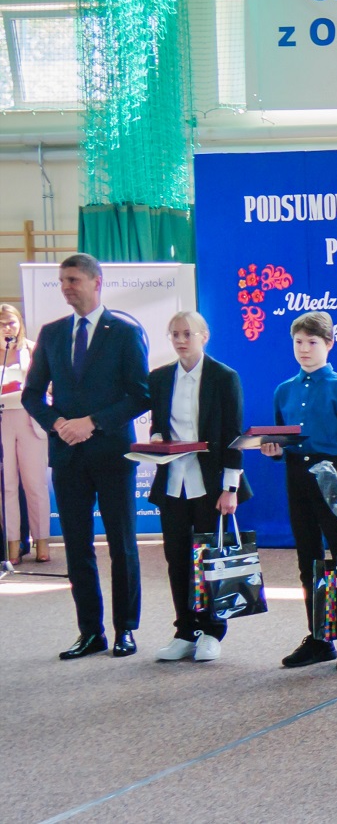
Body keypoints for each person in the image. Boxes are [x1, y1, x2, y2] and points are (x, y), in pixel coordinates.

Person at [23, 253, 150, 660]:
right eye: (62, 281)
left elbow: (140, 395)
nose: (65, 287)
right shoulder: (52, 333)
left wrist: (92, 422)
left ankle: (125, 629)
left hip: (112, 453)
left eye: (73, 280)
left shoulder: (125, 331)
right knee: (77, 547)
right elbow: (31, 394)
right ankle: (90, 632)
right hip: (67, 456)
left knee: (122, 544)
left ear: (96, 282)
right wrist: (58, 423)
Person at [263, 311, 337, 671]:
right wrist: (274, 450)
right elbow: (282, 441)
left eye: (312, 342)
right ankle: (320, 636)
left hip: (334, 476)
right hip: (298, 476)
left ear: (329, 344)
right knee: (308, 558)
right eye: (298, 342)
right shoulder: (284, 390)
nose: (304, 349)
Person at [147, 312, 251, 663]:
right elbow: (158, 425)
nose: (180, 340)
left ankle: (211, 630)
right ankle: (184, 630)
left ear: (204, 336)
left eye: (187, 333)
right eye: (174, 334)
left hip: (210, 483)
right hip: (172, 481)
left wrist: (230, 487)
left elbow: (234, 434)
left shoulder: (224, 377)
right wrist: (156, 438)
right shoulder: (160, 377)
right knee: (176, 558)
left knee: (209, 558)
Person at [0, 303, 51, 564]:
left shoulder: (32, 349)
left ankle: (42, 543)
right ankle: (12, 545)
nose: (7, 328)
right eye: (1, 324)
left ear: (20, 323)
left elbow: (49, 385)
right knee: (6, 486)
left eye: (11, 322)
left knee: (35, 485)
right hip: (2, 421)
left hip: (29, 420)